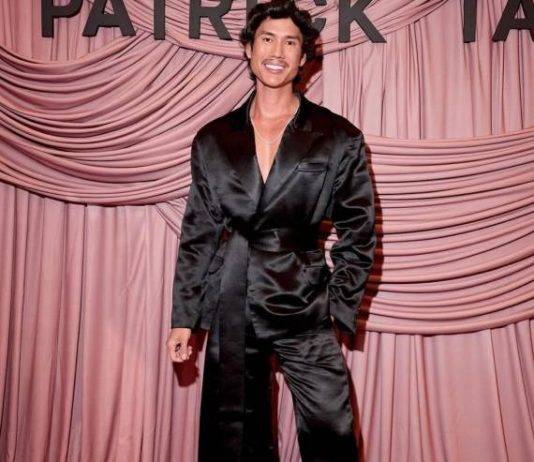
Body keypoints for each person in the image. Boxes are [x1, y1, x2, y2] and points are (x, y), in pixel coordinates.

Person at [166, 1, 376, 460]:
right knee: (235, 436)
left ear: (304, 58)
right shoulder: (213, 139)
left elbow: (359, 232)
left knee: (332, 432)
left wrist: (336, 305)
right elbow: (199, 232)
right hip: (233, 298)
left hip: (304, 301)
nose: (277, 52)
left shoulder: (338, 137)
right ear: (248, 49)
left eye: (290, 42)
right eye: (267, 39)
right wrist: (184, 316)